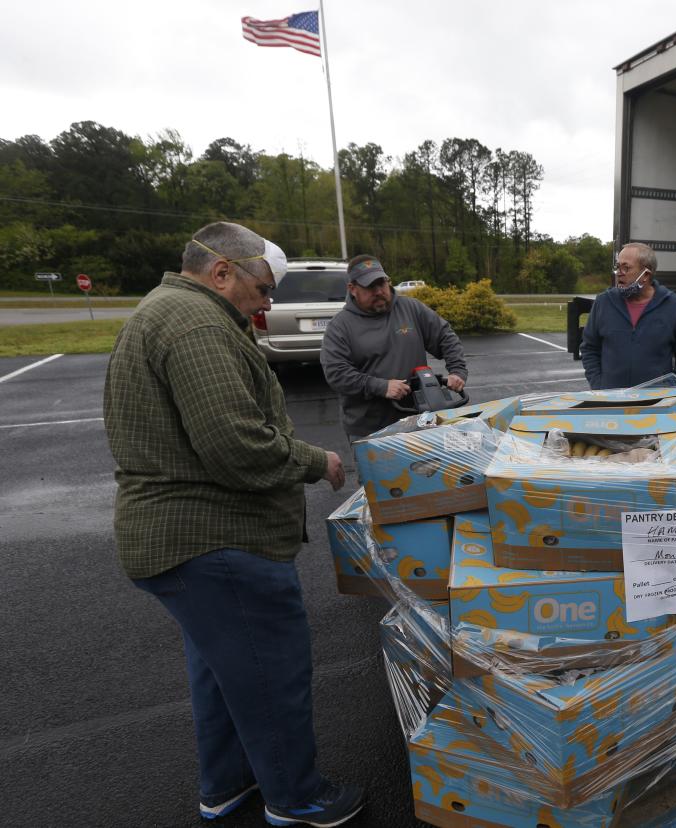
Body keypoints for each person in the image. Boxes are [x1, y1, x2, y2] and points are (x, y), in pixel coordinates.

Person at [102, 221, 364, 828]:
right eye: (265, 287)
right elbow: (235, 445)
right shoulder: (195, 324)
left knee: (225, 674)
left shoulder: (175, 312)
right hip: (215, 542)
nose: (269, 302)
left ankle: (226, 786)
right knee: (271, 676)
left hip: (185, 545)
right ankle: (297, 798)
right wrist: (314, 460)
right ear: (222, 271)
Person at [320, 254, 468, 442]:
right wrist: (381, 386)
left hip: (418, 419)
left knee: (424, 470)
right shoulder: (340, 326)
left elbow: (445, 336)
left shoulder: (411, 308)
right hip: (370, 428)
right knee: (378, 472)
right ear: (353, 289)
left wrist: (457, 370)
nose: (379, 291)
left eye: (381, 283)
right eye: (370, 287)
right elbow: (336, 373)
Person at [580, 242, 676, 389]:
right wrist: (599, 385)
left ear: (646, 275)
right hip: (611, 400)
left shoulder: (675, 306)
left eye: (626, 267)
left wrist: (669, 390)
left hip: (656, 404)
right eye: (618, 267)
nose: (619, 273)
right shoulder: (603, 302)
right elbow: (589, 348)